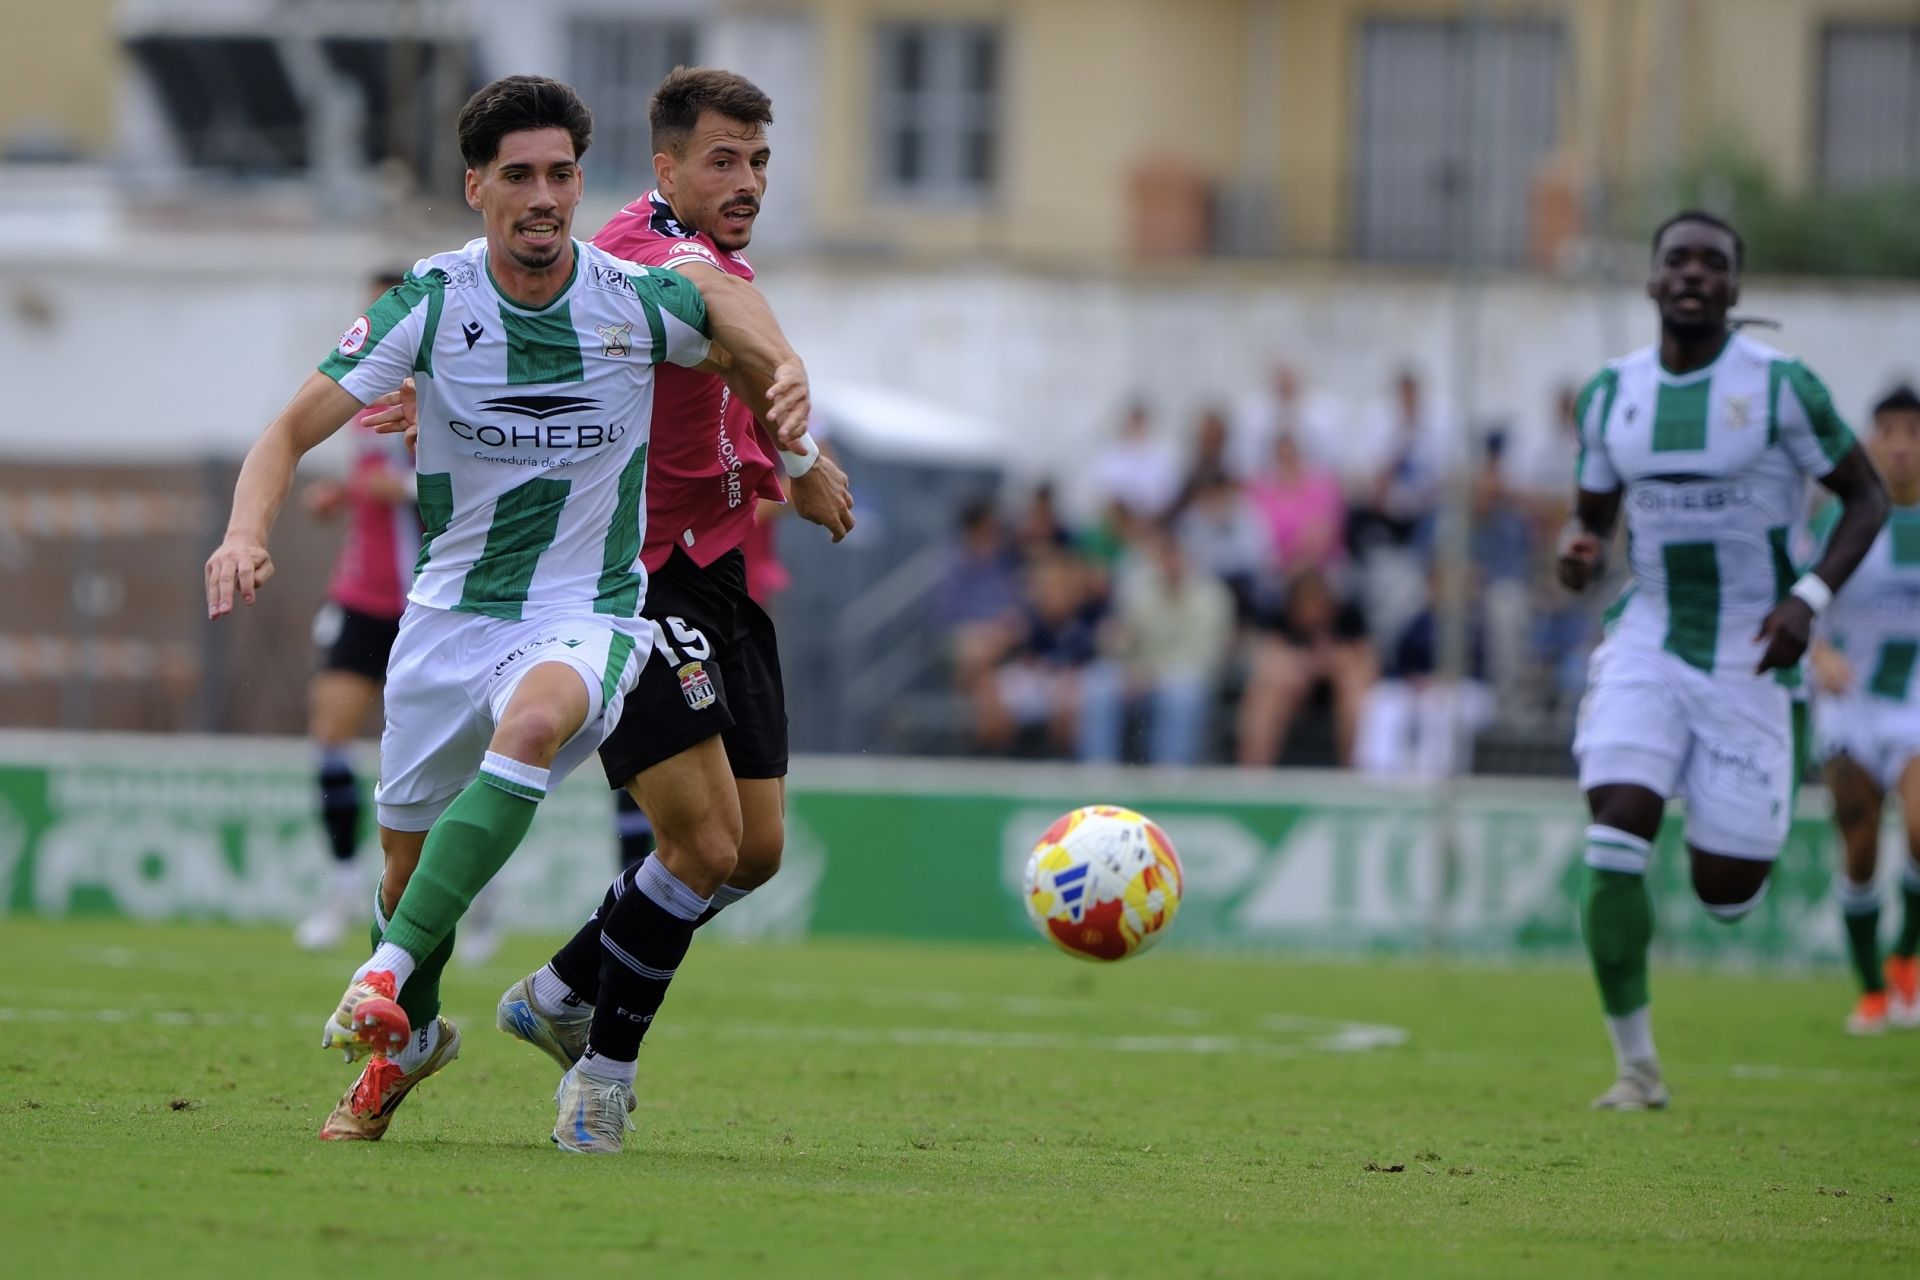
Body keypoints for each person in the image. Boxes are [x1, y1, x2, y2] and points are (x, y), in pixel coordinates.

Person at [204, 74, 814, 1145]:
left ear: (584, 183)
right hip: (448, 619)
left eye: (564, 175)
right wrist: (244, 531)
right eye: (521, 175)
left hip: (591, 610)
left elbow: (729, 322)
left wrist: (793, 413)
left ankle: (381, 973)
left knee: (537, 723)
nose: (545, 197)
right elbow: (284, 433)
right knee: (407, 871)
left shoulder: (631, 300)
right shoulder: (430, 305)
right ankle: (417, 1026)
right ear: (477, 184)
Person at [484, 68, 854, 1154]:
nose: (745, 182)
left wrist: (795, 452)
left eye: (760, 162)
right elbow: (725, 312)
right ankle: (599, 1077)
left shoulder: (713, 251)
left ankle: (558, 986)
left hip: (719, 570)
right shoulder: (644, 245)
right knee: (698, 843)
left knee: (757, 852)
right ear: (667, 169)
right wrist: (789, 388)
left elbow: (725, 342)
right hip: (630, 578)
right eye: (723, 160)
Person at [1556, 209, 1887, 1110]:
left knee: (1726, 890)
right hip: (1650, 636)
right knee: (1615, 827)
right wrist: (1579, 549)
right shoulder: (1610, 394)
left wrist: (1807, 601)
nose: (1694, 273)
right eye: (1677, 260)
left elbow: (1869, 498)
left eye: (1713, 263)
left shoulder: (1783, 388)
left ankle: (1727, 805)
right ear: (1653, 281)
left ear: (1736, 289)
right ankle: (1637, 1068)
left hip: (1754, 648)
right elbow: (1589, 517)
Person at [294, 271, 419, 951]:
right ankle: (344, 887)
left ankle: (477, 895)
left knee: (446, 757)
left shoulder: (448, 381)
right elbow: (365, 479)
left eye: (387, 307)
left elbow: (470, 482)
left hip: (432, 600)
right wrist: (340, 497)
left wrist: (395, 485)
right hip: (362, 596)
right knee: (330, 735)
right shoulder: (359, 388)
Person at [1809, 384, 1920, 1034]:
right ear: (1872, 440)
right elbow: (1801, 594)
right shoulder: (1847, 517)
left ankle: (1906, 956)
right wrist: (1820, 657)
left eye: (1912, 431)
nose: (1901, 444)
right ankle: (1872, 987)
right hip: (1850, 704)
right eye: (1889, 431)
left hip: (1912, 702)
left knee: (1919, 829)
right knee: (1859, 842)